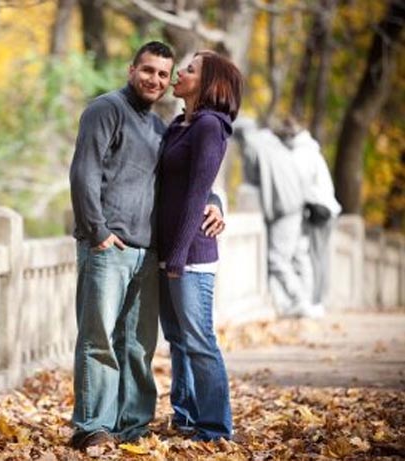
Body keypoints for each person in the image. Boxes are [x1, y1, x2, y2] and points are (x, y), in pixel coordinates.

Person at [69, 41, 224, 450]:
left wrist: (215, 201)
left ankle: (133, 424)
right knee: (99, 338)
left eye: (162, 74)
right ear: (130, 69)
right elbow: (83, 172)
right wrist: (97, 229)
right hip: (108, 247)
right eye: (148, 70)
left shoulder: (163, 127)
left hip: (149, 251)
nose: (155, 80)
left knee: (138, 345)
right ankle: (93, 426)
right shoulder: (106, 110)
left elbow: (190, 177)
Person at [156, 50, 243, 442]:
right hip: (169, 252)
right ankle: (185, 416)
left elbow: (196, 194)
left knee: (199, 340)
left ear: (207, 84)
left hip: (190, 256)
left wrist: (178, 255)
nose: (179, 74)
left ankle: (215, 427)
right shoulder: (179, 126)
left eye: (188, 70)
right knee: (177, 340)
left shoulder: (210, 126)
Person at [234, 118, 314, 318]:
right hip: (295, 203)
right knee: (291, 256)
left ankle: (300, 300)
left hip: (282, 207)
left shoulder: (251, 146)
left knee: (277, 259)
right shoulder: (271, 140)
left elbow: (250, 182)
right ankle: (286, 304)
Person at [281, 118, 341, 315]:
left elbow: (298, 186)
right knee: (320, 256)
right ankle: (318, 300)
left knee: (315, 256)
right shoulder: (310, 150)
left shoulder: (300, 153)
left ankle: (315, 302)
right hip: (327, 210)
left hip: (319, 210)